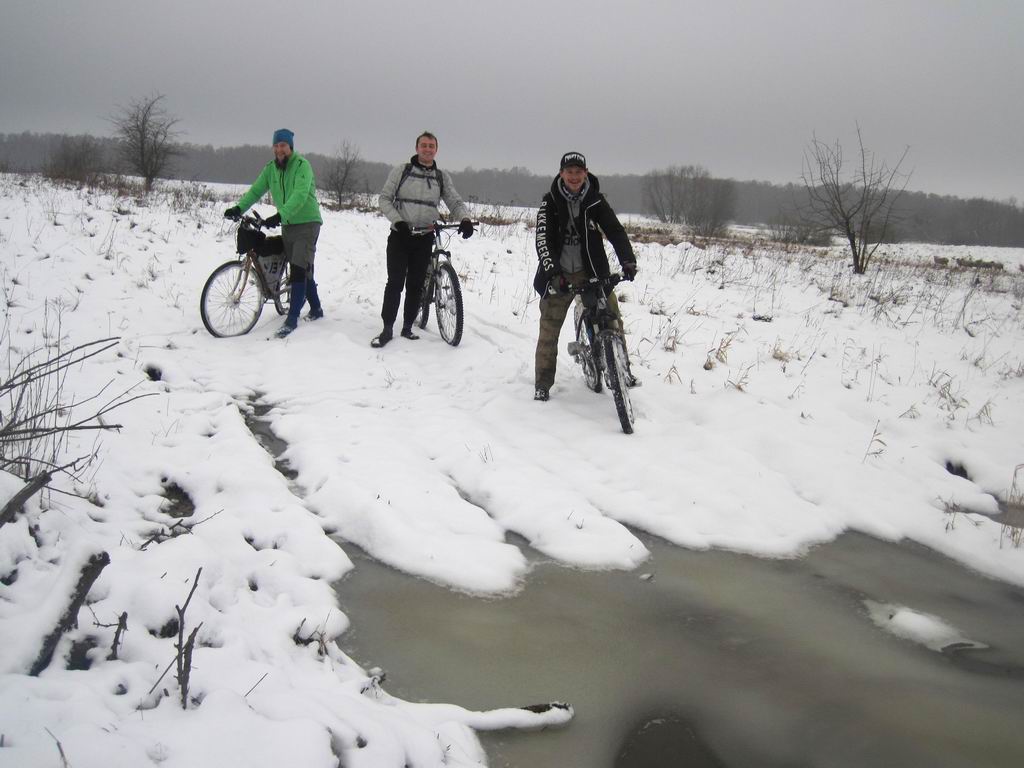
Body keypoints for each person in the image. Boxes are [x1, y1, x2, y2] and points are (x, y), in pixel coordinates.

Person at [532, 151, 639, 401]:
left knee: (612, 317)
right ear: (561, 174)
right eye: (569, 172)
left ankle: (624, 370)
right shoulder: (549, 203)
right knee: (549, 330)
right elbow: (543, 242)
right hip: (559, 273)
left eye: (578, 172)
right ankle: (543, 383)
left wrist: (628, 260)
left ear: (586, 173)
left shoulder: (595, 201)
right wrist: (553, 274)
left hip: (591, 271)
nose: (574, 176)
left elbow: (614, 230)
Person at [374, 131, 474, 347]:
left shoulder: (441, 177)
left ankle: (408, 326)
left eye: (431, 146)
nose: (427, 149)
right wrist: (398, 221)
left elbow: (454, 201)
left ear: (436, 150)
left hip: (425, 236)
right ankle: (387, 328)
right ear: (417, 148)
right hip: (401, 235)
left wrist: (464, 218)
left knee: (416, 284)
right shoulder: (402, 171)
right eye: (424, 145)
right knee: (395, 283)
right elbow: (384, 199)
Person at [224, 128, 323, 338]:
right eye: (276, 146)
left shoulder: (302, 166)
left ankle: (292, 318)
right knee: (304, 268)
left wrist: (279, 215)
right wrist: (238, 209)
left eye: (283, 146)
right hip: (288, 224)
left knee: (297, 268)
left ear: (290, 147)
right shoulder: (271, 169)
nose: (279, 150)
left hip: (307, 223)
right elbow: (256, 190)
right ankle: (316, 309)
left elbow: (300, 194)